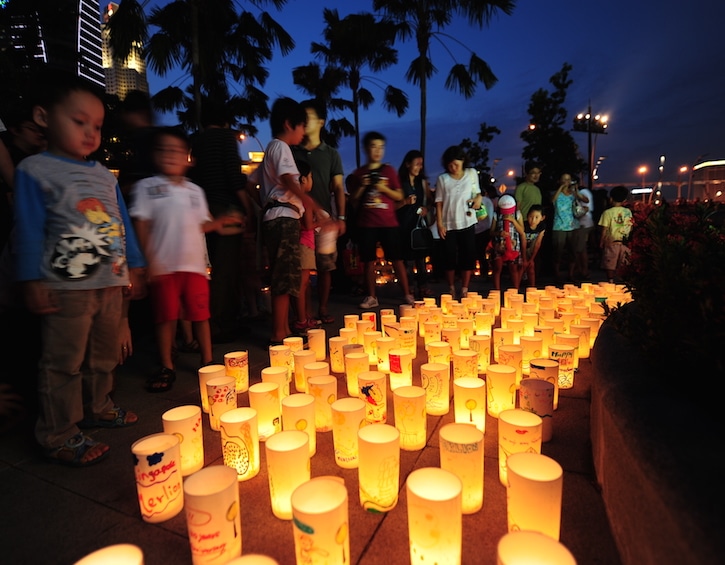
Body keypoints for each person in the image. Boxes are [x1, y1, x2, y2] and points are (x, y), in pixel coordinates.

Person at [13, 72, 147, 466]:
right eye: (79, 122)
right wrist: (31, 279)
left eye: (98, 126)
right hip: (66, 286)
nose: (91, 133)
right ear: (43, 117)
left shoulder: (104, 175)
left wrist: (134, 265)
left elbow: (120, 223)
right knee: (64, 361)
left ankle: (97, 406)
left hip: (109, 281)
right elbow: (28, 228)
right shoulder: (35, 170)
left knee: (103, 354)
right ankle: (59, 432)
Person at [130, 127, 235, 392]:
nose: (170, 155)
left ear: (189, 158)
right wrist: (146, 261)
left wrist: (222, 223)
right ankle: (167, 364)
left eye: (177, 151)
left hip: (194, 266)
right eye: (164, 150)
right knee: (166, 317)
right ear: (155, 155)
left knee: (201, 314)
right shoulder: (148, 187)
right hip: (163, 266)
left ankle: (208, 361)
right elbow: (141, 224)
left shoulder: (194, 191)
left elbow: (202, 224)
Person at [247, 97, 320, 345]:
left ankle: (286, 329)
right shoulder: (281, 147)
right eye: (302, 127)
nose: (303, 133)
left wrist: (266, 203)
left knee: (284, 273)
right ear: (289, 124)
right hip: (284, 218)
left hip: (274, 215)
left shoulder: (270, 150)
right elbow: (290, 180)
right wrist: (307, 201)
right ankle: (279, 334)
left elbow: (249, 183)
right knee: (285, 276)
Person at [189, 99, 248, 343]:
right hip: (226, 209)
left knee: (211, 268)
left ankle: (207, 322)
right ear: (225, 120)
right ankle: (221, 325)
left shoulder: (196, 140)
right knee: (227, 269)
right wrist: (247, 207)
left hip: (203, 210)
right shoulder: (226, 138)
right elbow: (234, 177)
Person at [292, 99, 345, 324]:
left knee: (325, 266)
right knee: (302, 269)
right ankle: (305, 313)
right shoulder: (293, 152)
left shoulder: (331, 154)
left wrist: (341, 217)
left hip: (324, 219)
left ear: (321, 122)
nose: (304, 122)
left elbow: (338, 188)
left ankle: (322, 308)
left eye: (309, 117)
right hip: (298, 217)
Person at [349, 131, 414, 309]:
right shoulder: (359, 173)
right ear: (366, 149)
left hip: (388, 223)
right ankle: (371, 296)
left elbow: (399, 195)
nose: (378, 150)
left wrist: (381, 187)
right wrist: (363, 185)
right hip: (366, 223)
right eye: (373, 146)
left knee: (397, 259)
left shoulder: (389, 171)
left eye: (381, 147)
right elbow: (353, 199)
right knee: (368, 261)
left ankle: (407, 294)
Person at [434, 145, 482, 299]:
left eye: (456, 164)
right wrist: (440, 224)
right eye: (450, 165)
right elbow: (439, 202)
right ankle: (451, 288)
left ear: (463, 162)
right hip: (448, 224)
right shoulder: (443, 179)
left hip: (467, 221)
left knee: (467, 256)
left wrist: (478, 199)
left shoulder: (471, 173)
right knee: (449, 257)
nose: (453, 168)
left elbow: (477, 192)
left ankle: (465, 288)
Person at [396, 149, 432, 299]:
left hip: (418, 225)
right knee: (408, 259)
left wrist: (426, 209)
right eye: (417, 164)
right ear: (407, 164)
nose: (419, 167)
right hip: (403, 225)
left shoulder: (421, 183)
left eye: (421, 164)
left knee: (421, 257)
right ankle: (409, 287)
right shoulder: (399, 183)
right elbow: (392, 206)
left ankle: (423, 286)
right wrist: (404, 202)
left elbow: (430, 200)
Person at [293, 160, 321, 332]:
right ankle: (301, 320)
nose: (312, 180)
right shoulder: (306, 200)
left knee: (301, 284)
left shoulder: (294, 198)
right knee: (302, 284)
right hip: (305, 244)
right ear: (303, 179)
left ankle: (302, 316)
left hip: (299, 243)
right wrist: (322, 222)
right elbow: (307, 224)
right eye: (310, 177)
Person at [551, 173, 589, 283]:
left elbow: (586, 200)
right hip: (559, 226)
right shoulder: (556, 193)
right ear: (560, 181)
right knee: (558, 252)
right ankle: (557, 274)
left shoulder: (573, 194)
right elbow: (552, 200)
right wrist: (561, 188)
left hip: (573, 226)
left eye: (568, 180)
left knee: (573, 251)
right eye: (564, 180)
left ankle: (570, 274)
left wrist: (576, 191)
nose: (566, 182)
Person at [490, 194, 526, 290]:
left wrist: (513, 221)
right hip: (500, 245)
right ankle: (496, 291)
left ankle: (515, 290)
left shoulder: (517, 214)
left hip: (513, 246)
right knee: (497, 268)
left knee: (513, 268)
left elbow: (522, 231)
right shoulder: (496, 215)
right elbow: (491, 232)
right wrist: (499, 233)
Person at [598, 185, 633, 283]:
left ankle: (611, 281)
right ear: (624, 199)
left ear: (611, 199)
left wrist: (601, 241)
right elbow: (630, 225)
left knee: (610, 264)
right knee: (623, 263)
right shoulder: (628, 212)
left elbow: (604, 229)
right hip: (624, 242)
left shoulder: (607, 213)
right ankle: (624, 282)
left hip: (611, 242)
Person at [474, 185, 496, 281]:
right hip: (487, 228)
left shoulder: (482, 201)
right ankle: (486, 272)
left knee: (479, 252)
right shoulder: (489, 201)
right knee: (483, 252)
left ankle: (484, 272)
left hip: (480, 230)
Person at [521, 204, 546, 288]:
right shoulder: (523, 226)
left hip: (532, 250)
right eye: (531, 217)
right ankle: (516, 287)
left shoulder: (541, 227)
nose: (533, 220)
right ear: (527, 216)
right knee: (521, 267)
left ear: (542, 218)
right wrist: (524, 259)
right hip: (521, 249)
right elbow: (522, 242)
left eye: (536, 217)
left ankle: (532, 287)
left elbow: (538, 243)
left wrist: (531, 259)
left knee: (531, 266)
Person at [573, 184, 595, 280]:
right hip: (585, 223)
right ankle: (583, 270)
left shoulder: (582, 193)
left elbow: (586, 204)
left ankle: (583, 271)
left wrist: (576, 192)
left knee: (580, 250)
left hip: (583, 223)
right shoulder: (584, 192)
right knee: (582, 249)